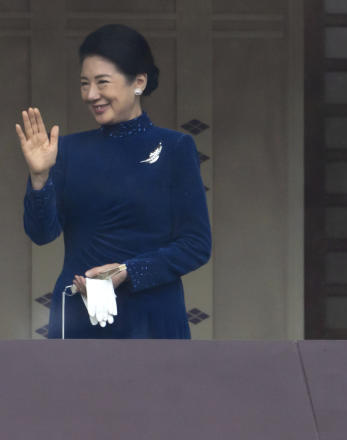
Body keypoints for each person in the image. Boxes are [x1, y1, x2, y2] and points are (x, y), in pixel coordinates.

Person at [16, 24, 211, 338]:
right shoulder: (66, 150)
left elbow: (196, 245)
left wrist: (127, 272)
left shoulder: (175, 148)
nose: (91, 95)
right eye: (84, 84)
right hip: (80, 317)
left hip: (152, 318)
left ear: (139, 82)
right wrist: (39, 178)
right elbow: (41, 234)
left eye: (102, 83)